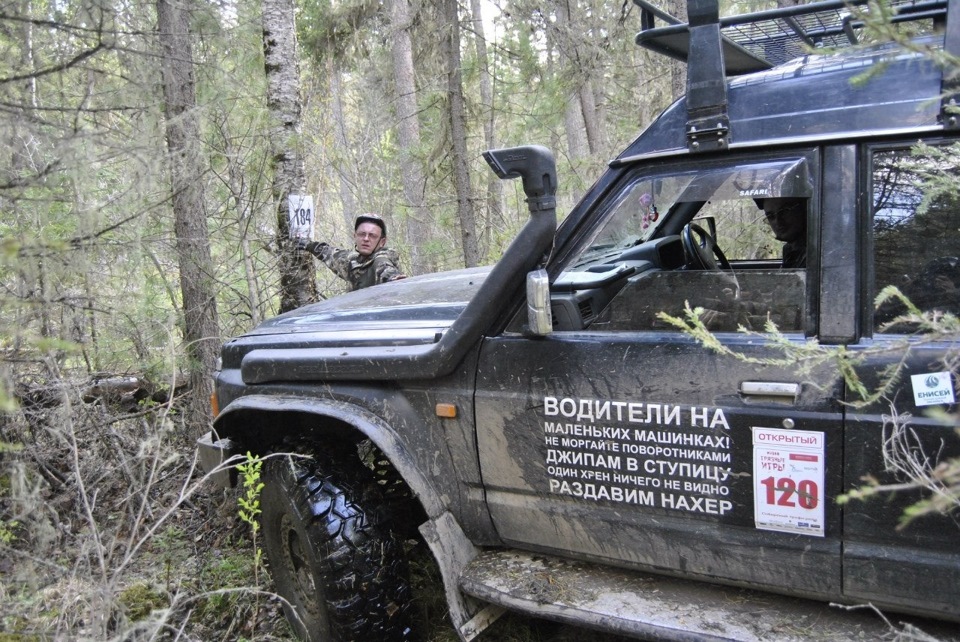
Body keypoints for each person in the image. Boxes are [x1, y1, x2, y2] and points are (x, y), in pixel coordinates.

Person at [299, 213, 406, 291]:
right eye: (362, 234)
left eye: (372, 236)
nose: (366, 239)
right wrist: (307, 244)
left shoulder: (381, 260)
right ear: (355, 236)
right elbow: (330, 253)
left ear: (382, 242)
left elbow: (385, 270)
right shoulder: (353, 261)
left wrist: (394, 279)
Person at [757, 197, 807, 268]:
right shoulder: (789, 249)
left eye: (784, 211)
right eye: (770, 216)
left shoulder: (816, 251)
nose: (778, 222)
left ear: (802, 209)